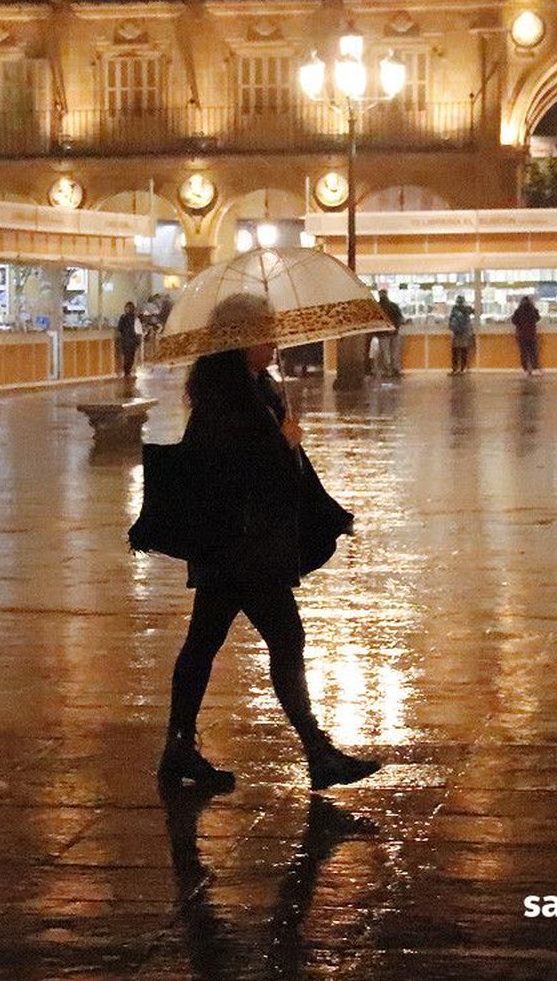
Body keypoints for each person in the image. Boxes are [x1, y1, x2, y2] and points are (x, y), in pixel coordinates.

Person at [158, 307, 381, 794]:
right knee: (285, 639)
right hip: (242, 548)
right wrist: (281, 443)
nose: (274, 344)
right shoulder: (224, 399)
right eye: (265, 336)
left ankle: (178, 747)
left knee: (204, 643)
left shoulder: (257, 389)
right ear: (238, 342)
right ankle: (317, 753)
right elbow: (231, 472)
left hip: (236, 546)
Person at [376, 289, 405, 377]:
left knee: (385, 353)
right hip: (394, 333)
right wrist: (395, 328)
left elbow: (376, 321)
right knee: (395, 353)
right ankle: (396, 370)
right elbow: (400, 319)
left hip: (382, 333)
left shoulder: (377, 306)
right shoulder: (394, 305)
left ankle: (388, 371)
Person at [512, 295, 541, 375]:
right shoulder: (533, 310)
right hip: (532, 334)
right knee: (533, 352)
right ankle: (535, 368)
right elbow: (538, 318)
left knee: (524, 353)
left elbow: (514, 321)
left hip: (521, 334)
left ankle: (525, 369)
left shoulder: (518, 311)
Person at [447, 295, 475, 375]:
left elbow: (451, 320)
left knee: (455, 351)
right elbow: (476, 311)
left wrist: (452, 327)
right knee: (464, 351)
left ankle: (455, 369)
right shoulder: (467, 309)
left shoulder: (454, 309)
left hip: (457, 333)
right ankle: (463, 368)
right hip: (464, 333)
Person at [116, 301, 142, 378]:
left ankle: (125, 372)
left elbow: (119, 328)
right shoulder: (135, 319)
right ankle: (128, 372)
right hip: (132, 341)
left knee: (125, 357)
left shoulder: (122, 318)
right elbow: (138, 331)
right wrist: (138, 341)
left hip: (124, 340)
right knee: (131, 357)